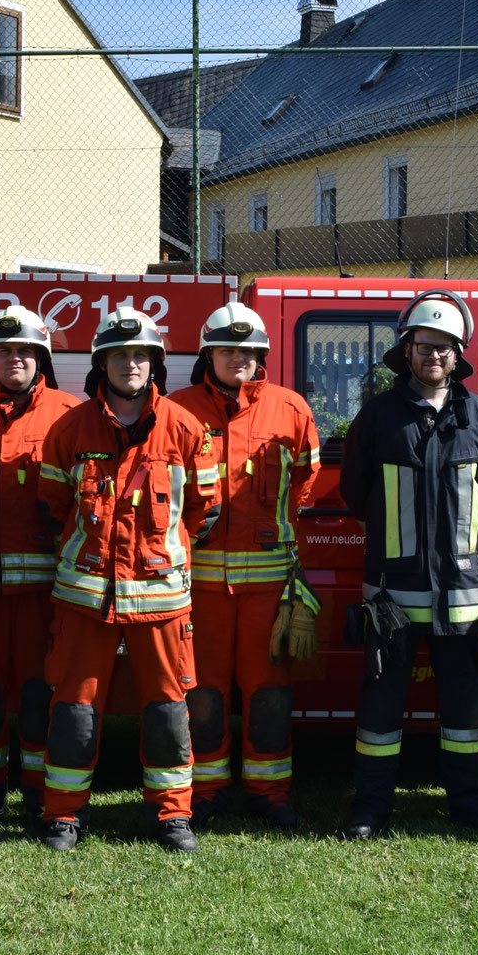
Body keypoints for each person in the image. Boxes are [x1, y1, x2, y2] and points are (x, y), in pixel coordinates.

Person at [34, 307, 219, 853]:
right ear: (102, 364)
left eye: (141, 354)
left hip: (161, 599)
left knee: (167, 710)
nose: (131, 364)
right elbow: (53, 506)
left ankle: (172, 815)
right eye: (120, 355)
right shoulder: (69, 429)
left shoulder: (186, 429)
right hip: (84, 599)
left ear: (155, 362)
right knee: (74, 710)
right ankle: (63, 815)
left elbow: (202, 512)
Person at [339, 290, 478, 842]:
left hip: (461, 592)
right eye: (424, 345)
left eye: (445, 347)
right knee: (381, 705)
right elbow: (355, 491)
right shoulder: (378, 416)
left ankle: (473, 807)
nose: (434, 356)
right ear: (406, 350)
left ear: (459, 355)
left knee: (464, 709)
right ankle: (370, 809)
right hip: (392, 591)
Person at [170, 302, 322, 831]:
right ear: (207, 354)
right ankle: (206, 791)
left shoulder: (291, 408)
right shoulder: (178, 410)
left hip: (269, 589)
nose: (238, 358)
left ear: (261, 355)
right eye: (227, 349)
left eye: (248, 350)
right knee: (204, 694)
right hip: (199, 587)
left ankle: (268, 792)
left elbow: (304, 480)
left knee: (269, 696)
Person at [0, 307, 83, 825]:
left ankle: (38, 795)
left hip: (46, 595)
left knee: (37, 698)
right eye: (4, 351)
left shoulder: (71, 416)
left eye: (25, 350)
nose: (15, 359)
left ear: (42, 357)